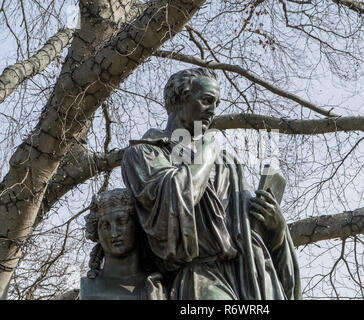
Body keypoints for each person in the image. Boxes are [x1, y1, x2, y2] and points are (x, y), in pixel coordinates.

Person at [121, 68, 301, 300]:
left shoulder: (225, 163)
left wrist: (276, 229)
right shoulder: (145, 153)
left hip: (247, 275)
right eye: (206, 100)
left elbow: (244, 231)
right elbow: (174, 201)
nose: (213, 110)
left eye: (216, 103)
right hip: (202, 278)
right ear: (178, 100)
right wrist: (206, 151)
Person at [80, 189, 167, 300]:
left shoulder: (159, 286)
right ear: (97, 233)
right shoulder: (84, 291)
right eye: (106, 225)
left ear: (137, 225)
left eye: (122, 221)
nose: (114, 233)